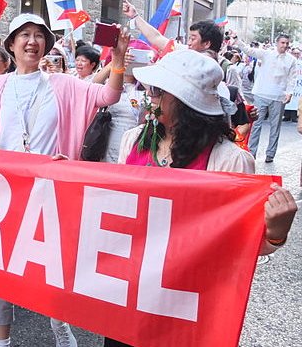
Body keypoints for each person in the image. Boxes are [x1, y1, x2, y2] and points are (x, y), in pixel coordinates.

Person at [106, 49, 298, 347]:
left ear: (185, 102)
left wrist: (275, 232)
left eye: (158, 90)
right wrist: (65, 179)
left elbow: (241, 246)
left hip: (186, 303)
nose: (149, 96)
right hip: (129, 293)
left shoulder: (230, 160)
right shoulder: (135, 139)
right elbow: (112, 207)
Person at [0, 13, 127, 347]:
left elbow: (108, 97)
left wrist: (117, 60)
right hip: (6, 191)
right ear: (11, 44)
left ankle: (59, 326)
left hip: (52, 192)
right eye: (24, 35)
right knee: (1, 269)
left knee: (54, 267)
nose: (32, 41)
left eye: (39, 35)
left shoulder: (63, 84)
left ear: (46, 44)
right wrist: (3, 154)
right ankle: (3, 342)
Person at [244, 34, 297, 162]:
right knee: (256, 125)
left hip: (279, 97)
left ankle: (270, 154)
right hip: (261, 94)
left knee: (275, 126)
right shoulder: (266, 54)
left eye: (287, 43)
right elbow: (249, 51)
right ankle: (252, 152)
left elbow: (292, 78)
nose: (285, 45)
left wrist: (289, 92)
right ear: (277, 43)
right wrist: (235, 41)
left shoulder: (291, 60)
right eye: (282, 43)